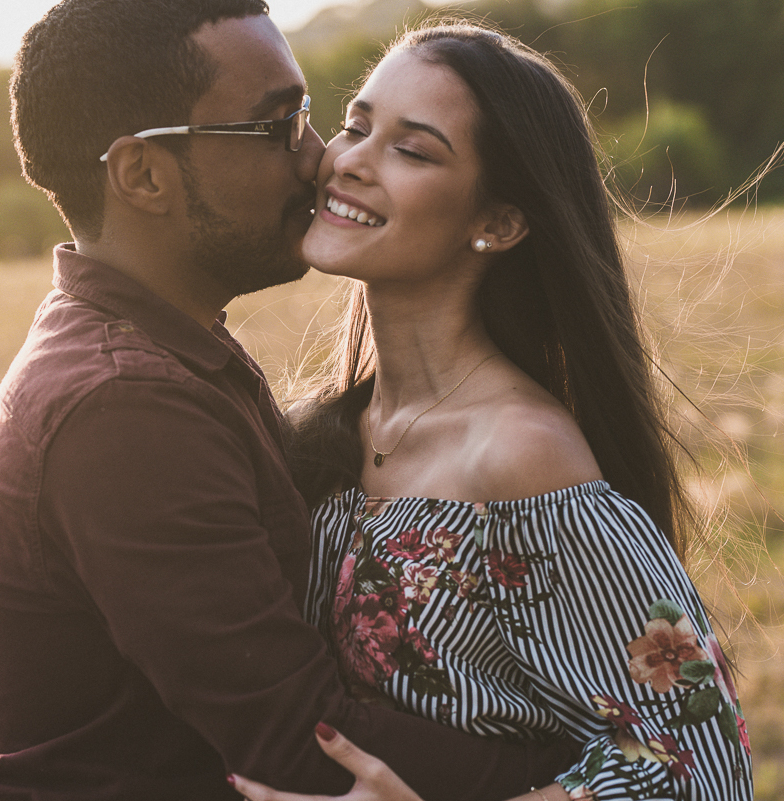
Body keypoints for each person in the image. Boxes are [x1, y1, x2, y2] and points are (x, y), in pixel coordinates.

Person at [0, 1, 581, 799]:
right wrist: (588, 774)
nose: (319, 159)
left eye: (311, 117)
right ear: (144, 175)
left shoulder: (167, 353)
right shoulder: (123, 406)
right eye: (277, 126)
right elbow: (299, 736)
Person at [228, 21, 754, 801]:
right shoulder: (317, 429)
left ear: (498, 222)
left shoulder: (521, 456)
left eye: (413, 149)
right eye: (356, 125)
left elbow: (695, 765)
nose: (349, 163)